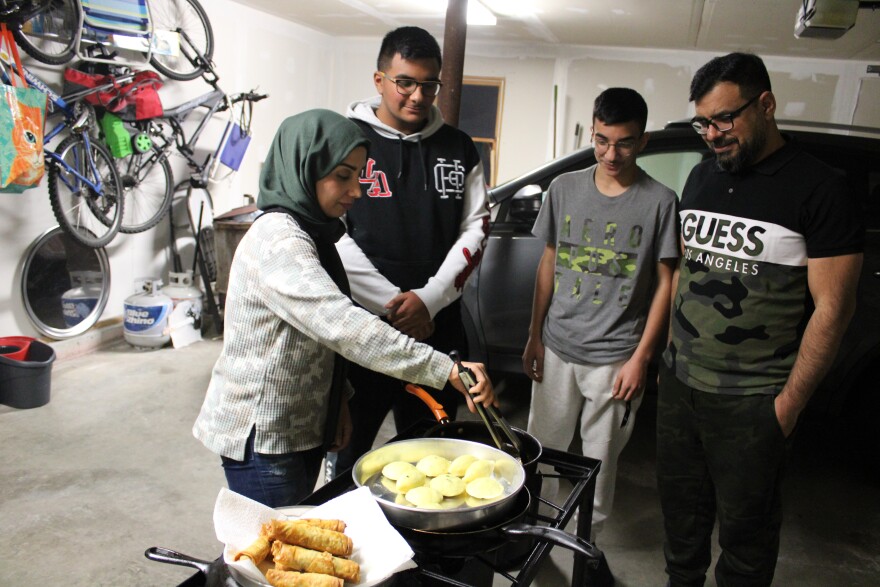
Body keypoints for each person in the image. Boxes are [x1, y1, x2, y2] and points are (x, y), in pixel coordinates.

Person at [192, 109, 496, 508]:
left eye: (359, 176)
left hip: (297, 427)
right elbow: (344, 327)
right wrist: (446, 370)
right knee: (270, 555)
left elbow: (320, 340)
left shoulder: (314, 235)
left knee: (296, 530)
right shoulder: (279, 240)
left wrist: (336, 404)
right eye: (342, 176)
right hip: (264, 436)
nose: (356, 190)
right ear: (306, 167)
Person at [658, 53, 864, 587]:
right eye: (703, 122)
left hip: (753, 403)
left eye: (725, 119)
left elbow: (834, 309)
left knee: (746, 546)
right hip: (680, 388)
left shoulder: (820, 188)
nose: (712, 134)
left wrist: (787, 407)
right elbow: (685, 273)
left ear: (766, 105)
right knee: (680, 532)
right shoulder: (701, 178)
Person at [522, 88, 679, 542]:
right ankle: (536, 535)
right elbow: (549, 261)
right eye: (602, 140)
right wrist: (534, 335)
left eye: (624, 142)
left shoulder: (659, 201)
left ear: (643, 141)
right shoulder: (565, 188)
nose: (612, 153)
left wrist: (641, 359)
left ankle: (585, 545)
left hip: (615, 358)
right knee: (543, 451)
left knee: (599, 463)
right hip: (556, 347)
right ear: (592, 132)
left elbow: (666, 282)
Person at [332, 26, 490, 475]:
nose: (418, 96)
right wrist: (393, 304)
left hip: (437, 329)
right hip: (361, 331)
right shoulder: (345, 140)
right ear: (380, 79)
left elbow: (476, 229)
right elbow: (331, 230)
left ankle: (420, 547)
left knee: (433, 458)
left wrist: (430, 299)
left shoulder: (460, 148)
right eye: (405, 82)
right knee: (350, 455)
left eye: (429, 84)